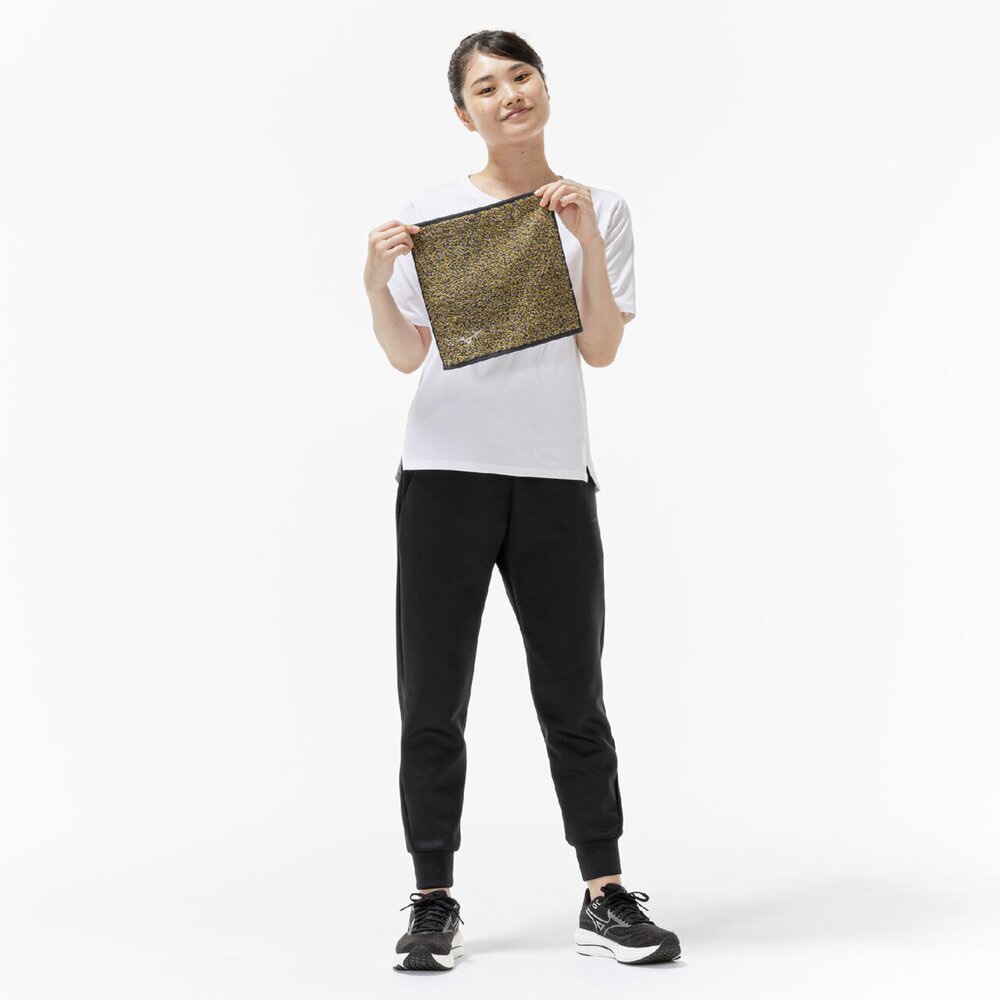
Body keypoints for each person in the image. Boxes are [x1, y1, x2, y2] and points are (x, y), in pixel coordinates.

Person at [364, 29, 682, 972]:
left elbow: (601, 349)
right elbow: (406, 353)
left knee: (574, 693)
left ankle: (605, 891)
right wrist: (374, 282)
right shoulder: (430, 212)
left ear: (544, 88)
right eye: (487, 87)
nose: (510, 95)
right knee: (432, 696)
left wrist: (581, 237)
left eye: (522, 76)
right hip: (443, 472)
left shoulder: (600, 206)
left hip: (552, 477)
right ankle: (432, 898)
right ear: (464, 113)